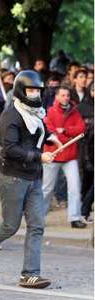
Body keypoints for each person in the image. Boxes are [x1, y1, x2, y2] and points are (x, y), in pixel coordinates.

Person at [0, 70, 62, 289]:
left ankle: (29, 274)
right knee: (10, 226)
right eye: (30, 90)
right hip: (13, 178)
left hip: (33, 177)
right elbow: (11, 148)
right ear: (21, 90)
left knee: (37, 225)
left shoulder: (36, 112)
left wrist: (51, 138)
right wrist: (39, 156)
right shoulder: (10, 116)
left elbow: (38, 131)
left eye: (37, 90)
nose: (34, 94)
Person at [42, 86, 87, 228]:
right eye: (62, 95)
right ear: (56, 97)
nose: (65, 98)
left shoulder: (74, 111)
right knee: (47, 189)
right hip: (53, 155)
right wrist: (65, 135)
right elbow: (49, 131)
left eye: (67, 95)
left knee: (74, 187)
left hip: (70, 156)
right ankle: (39, 217)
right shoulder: (50, 111)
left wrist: (66, 131)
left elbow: (81, 128)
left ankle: (74, 218)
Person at [78, 82, 94, 222]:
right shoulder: (82, 107)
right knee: (87, 183)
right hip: (87, 151)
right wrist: (87, 158)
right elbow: (81, 133)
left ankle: (84, 210)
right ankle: (83, 211)